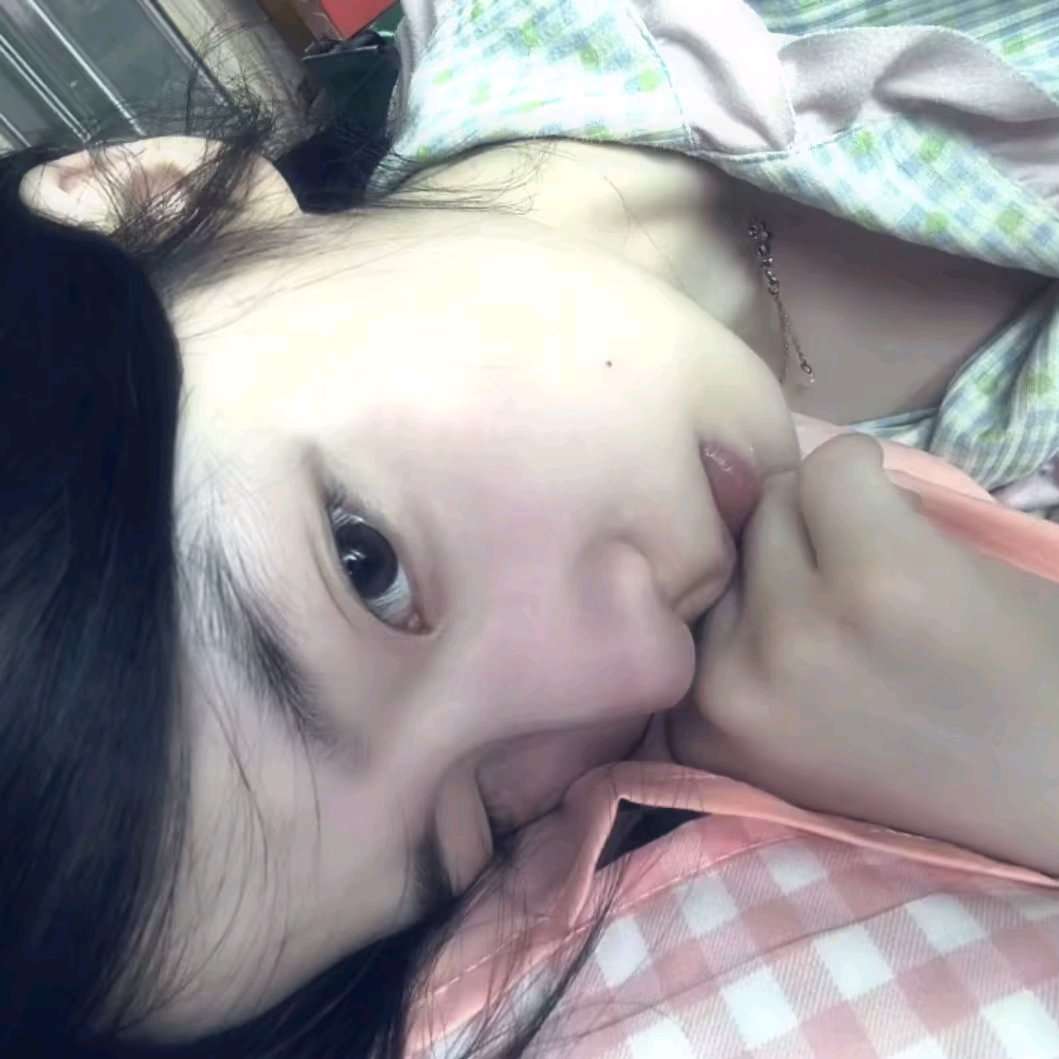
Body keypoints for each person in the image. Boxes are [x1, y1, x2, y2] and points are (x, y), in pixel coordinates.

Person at [3, 0, 1059, 1055]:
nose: (641, 668)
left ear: (155, 190)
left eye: (366, 565)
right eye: (485, 814)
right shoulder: (967, 567)